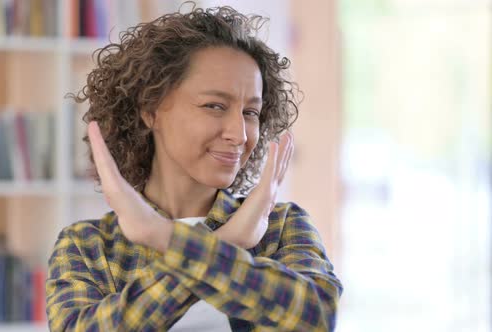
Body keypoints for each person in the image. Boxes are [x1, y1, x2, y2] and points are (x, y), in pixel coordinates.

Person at [46, 3, 343, 331]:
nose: (239, 134)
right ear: (151, 109)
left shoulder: (280, 227)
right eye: (214, 106)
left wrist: (164, 237)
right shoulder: (89, 245)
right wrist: (226, 243)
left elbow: (316, 317)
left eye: (251, 112)